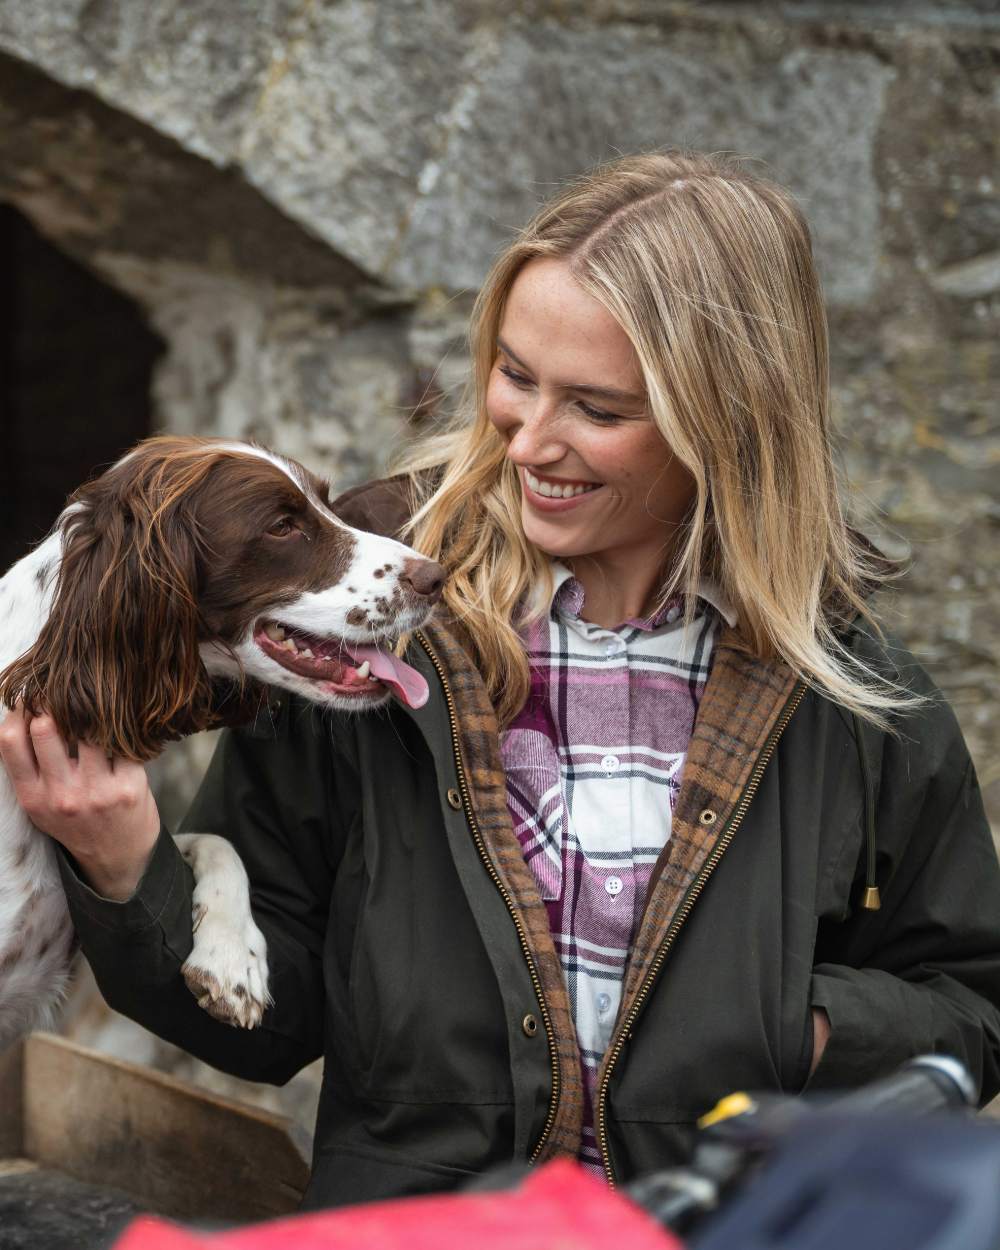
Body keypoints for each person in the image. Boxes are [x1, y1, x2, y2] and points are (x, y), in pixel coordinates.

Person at [2, 150, 999, 1207]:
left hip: (734, 1222)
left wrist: (798, 1028)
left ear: (727, 418)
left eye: (597, 408)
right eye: (516, 375)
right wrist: (130, 873)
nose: (528, 440)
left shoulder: (853, 692)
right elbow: (262, 1021)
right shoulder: (360, 636)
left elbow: (973, 1009)